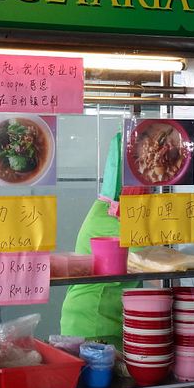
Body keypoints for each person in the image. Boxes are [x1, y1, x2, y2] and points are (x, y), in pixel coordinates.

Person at [60, 132, 145, 351]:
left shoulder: (108, 209)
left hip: (104, 315)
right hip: (94, 319)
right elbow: (149, 263)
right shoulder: (112, 215)